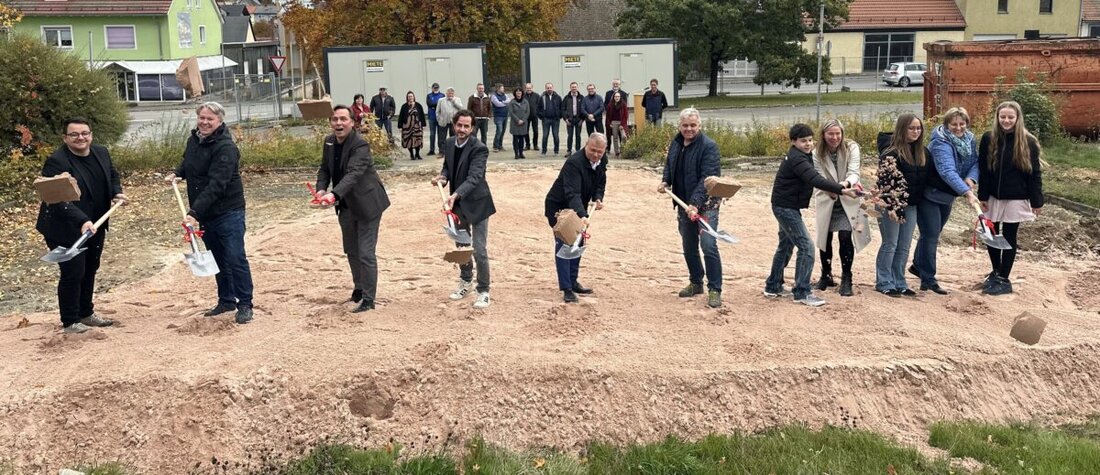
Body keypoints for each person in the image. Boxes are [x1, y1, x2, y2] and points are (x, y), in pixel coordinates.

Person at [36, 118, 128, 333]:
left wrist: (117, 192)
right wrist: (81, 220)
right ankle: (70, 321)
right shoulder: (56, 162)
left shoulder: (101, 152)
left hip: (97, 223)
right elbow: (56, 198)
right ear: (65, 138)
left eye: (85, 133)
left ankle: (86, 313)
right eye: (74, 134)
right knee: (73, 272)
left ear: (91, 135)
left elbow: (112, 175)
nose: (81, 138)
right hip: (65, 227)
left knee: (90, 269)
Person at [166, 102, 254, 324]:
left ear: (220, 122)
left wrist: (194, 212)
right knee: (217, 258)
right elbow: (188, 163)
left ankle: (245, 303)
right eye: (201, 118)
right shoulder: (194, 140)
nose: (204, 122)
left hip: (228, 211)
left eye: (210, 119)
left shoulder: (226, 148)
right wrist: (178, 174)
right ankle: (226, 300)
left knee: (235, 257)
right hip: (207, 213)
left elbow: (217, 184)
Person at [763, 124, 858, 307]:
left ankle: (773, 286)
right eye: (803, 141)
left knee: (786, 245)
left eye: (809, 140)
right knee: (806, 247)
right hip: (785, 208)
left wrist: (837, 189)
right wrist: (842, 190)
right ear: (793, 142)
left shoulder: (802, 155)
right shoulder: (797, 159)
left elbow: (816, 178)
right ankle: (802, 291)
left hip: (785, 205)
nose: (807, 144)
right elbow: (814, 179)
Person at [314, 105, 391, 312]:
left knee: (365, 252)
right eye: (334, 119)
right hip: (345, 205)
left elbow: (353, 174)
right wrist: (321, 189)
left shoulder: (360, 145)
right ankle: (358, 288)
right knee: (351, 250)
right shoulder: (329, 141)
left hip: (367, 204)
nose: (338, 123)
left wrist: (333, 194)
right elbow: (324, 169)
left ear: (352, 122)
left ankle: (368, 299)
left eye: (343, 119)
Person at [657, 108, 723, 308]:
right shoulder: (676, 143)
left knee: (708, 245)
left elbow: (707, 178)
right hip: (684, 204)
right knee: (689, 246)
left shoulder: (709, 147)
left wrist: (695, 203)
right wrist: (666, 180)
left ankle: (714, 289)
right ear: (680, 126)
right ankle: (696, 282)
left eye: (693, 125)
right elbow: (671, 164)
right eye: (685, 125)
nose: (689, 129)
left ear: (699, 126)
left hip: (706, 204)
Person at [977, 101, 1043, 296]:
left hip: (1016, 197)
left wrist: (1036, 200)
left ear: (1017, 118)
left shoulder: (1028, 141)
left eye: (1010, 117)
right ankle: (996, 271)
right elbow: (983, 169)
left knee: (1009, 236)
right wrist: (982, 195)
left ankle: (1004, 278)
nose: (1006, 120)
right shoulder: (988, 138)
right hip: (992, 197)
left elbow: (1035, 173)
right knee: (990, 234)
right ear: (997, 118)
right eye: (1003, 117)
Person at [912, 107, 980, 295]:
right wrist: (967, 192)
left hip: (946, 196)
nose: (958, 128)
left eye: (962, 124)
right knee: (931, 235)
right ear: (946, 125)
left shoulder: (969, 139)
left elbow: (976, 162)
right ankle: (928, 279)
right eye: (954, 124)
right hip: (930, 195)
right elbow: (947, 171)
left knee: (931, 234)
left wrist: (972, 178)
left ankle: (918, 266)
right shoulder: (940, 143)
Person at [432, 110, 495, 309]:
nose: (462, 129)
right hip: (457, 204)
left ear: (472, 128)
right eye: (459, 125)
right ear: (454, 124)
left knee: (479, 249)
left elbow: (475, 177)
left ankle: (483, 290)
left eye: (467, 126)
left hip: (477, 204)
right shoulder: (449, 143)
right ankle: (466, 281)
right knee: (461, 246)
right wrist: (442, 178)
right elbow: (447, 168)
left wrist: (456, 194)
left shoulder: (480, 148)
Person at [811, 119, 871, 297]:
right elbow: (819, 176)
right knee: (825, 238)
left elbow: (854, 171)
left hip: (849, 196)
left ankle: (847, 276)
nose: (835, 137)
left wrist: (844, 186)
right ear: (823, 135)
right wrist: (835, 189)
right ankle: (826, 274)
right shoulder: (816, 153)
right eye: (830, 134)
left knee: (846, 235)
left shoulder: (851, 147)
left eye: (838, 133)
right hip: (827, 196)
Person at [545, 133, 607, 303]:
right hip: (559, 206)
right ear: (586, 145)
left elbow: (600, 182)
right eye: (592, 150)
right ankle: (566, 289)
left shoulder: (602, 159)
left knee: (578, 243)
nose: (596, 155)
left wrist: (598, 197)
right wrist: (583, 215)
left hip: (579, 206)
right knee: (566, 244)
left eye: (599, 152)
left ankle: (573, 281)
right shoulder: (574, 163)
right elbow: (572, 193)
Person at [874, 114, 929, 297]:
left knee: (904, 245)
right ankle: (884, 281)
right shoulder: (890, 153)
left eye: (918, 128)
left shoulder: (922, 152)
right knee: (890, 243)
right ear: (902, 129)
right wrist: (892, 208)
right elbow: (884, 183)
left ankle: (899, 280)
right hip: (889, 205)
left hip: (910, 205)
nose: (915, 132)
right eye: (911, 128)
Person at [398, 91, 426, 160]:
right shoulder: (404, 106)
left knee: (418, 139)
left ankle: (417, 154)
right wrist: (400, 126)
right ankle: (411, 154)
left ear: (414, 97)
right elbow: (401, 116)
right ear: (407, 98)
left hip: (417, 126)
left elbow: (422, 115)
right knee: (408, 140)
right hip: (407, 126)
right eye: (409, 96)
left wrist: (423, 124)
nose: (410, 97)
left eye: (411, 96)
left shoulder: (418, 105)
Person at [537, 82, 563, 156]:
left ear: (553, 88)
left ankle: (556, 151)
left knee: (556, 136)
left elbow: (561, 107)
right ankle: (544, 151)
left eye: (550, 87)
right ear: (545, 88)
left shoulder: (558, 97)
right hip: (546, 120)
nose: (549, 89)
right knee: (545, 136)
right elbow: (538, 108)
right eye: (548, 88)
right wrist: (541, 116)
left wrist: (559, 116)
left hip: (555, 120)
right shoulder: (542, 97)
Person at [604, 91, 629, 158]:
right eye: (615, 96)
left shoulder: (623, 104)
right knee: (615, 138)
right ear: (613, 97)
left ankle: (622, 149)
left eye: (618, 96)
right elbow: (608, 115)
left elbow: (625, 115)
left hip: (621, 123)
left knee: (624, 137)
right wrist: (609, 123)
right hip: (614, 123)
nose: (617, 98)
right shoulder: (610, 104)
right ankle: (617, 152)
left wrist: (622, 124)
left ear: (620, 97)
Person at [562, 82, 584, 156]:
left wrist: (582, 119)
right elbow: (563, 109)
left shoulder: (581, 97)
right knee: (570, 135)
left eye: (575, 87)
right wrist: (566, 119)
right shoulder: (566, 97)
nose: (574, 88)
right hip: (569, 120)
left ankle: (578, 151)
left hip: (578, 120)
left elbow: (584, 109)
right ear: (570, 88)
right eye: (572, 87)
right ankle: (569, 150)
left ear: (577, 88)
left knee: (578, 135)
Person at [508, 87, 530, 160]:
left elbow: (527, 112)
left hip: (523, 124)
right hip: (515, 124)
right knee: (515, 139)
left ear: (522, 93)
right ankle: (516, 154)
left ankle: (521, 153)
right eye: (517, 92)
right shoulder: (512, 102)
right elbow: (511, 113)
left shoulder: (525, 102)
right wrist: (518, 120)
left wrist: (523, 120)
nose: (518, 94)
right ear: (515, 93)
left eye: (520, 92)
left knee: (521, 139)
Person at [425, 83, 444, 156]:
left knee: (440, 134)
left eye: (437, 88)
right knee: (432, 134)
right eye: (434, 88)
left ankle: (441, 150)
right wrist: (437, 105)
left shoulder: (442, 95)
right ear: (432, 88)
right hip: (432, 117)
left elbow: (443, 105)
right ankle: (432, 150)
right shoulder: (429, 96)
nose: (436, 89)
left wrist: (435, 105)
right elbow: (429, 104)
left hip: (440, 117)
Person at [490, 83, 510, 151]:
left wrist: (502, 102)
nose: (503, 89)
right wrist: (505, 103)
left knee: (503, 131)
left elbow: (509, 101)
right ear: (498, 89)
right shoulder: (493, 96)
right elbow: (498, 104)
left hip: (505, 116)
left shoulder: (505, 95)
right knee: (499, 131)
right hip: (498, 116)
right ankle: (495, 146)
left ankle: (500, 145)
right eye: (502, 88)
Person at [523, 82, 539, 150]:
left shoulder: (537, 95)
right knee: (526, 131)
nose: (528, 89)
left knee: (535, 131)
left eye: (530, 88)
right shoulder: (523, 96)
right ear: (525, 88)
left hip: (534, 116)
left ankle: (535, 145)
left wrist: (538, 113)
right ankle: (527, 145)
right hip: (526, 117)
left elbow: (539, 105)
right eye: (527, 88)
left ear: (532, 88)